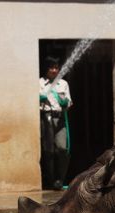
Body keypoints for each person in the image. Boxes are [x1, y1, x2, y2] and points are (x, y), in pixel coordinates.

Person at [39, 57, 73, 190]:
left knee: (62, 148)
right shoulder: (40, 83)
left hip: (60, 119)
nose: (54, 70)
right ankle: (51, 179)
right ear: (46, 69)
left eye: (56, 68)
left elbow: (69, 101)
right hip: (45, 117)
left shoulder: (63, 84)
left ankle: (60, 179)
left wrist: (65, 103)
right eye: (51, 68)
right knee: (48, 151)